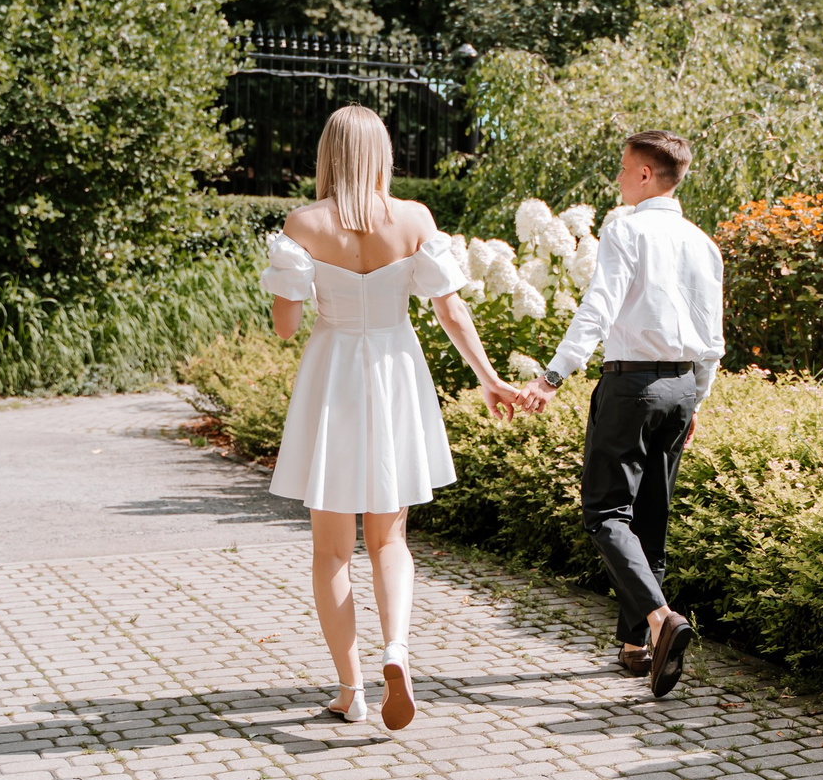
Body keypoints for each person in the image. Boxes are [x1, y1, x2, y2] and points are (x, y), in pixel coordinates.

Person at [263, 105, 518, 729]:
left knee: (331, 551)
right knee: (390, 538)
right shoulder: (414, 219)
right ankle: (397, 651)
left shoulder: (304, 223)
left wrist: (293, 283)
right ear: (382, 154)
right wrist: (489, 379)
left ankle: (351, 690)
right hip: (398, 373)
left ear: (328, 153)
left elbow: (286, 326)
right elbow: (450, 313)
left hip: (333, 374)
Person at [514, 130, 725, 697]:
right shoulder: (703, 243)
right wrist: (695, 398)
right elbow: (712, 337)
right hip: (681, 388)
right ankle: (636, 649)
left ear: (646, 176)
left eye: (623, 168)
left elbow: (599, 306)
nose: (617, 178)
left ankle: (659, 620)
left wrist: (553, 375)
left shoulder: (626, 228)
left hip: (631, 385)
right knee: (651, 516)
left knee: (606, 512)